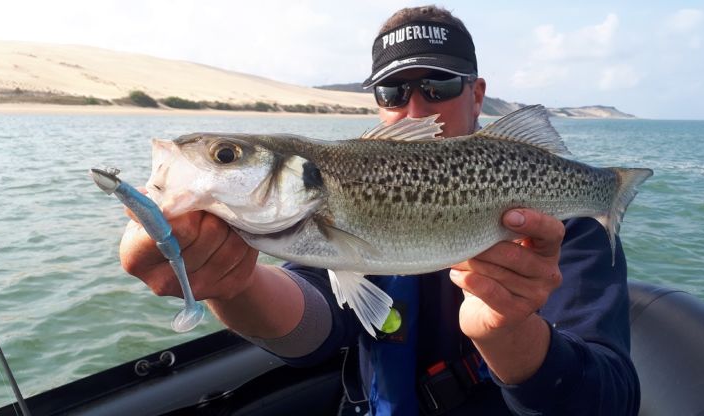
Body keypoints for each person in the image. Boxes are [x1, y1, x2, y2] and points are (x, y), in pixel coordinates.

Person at [120, 5, 640, 415]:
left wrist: (509, 331)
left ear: (478, 95)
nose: (415, 109)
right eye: (393, 91)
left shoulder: (559, 221)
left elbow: (610, 400)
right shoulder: (316, 211)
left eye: (439, 86)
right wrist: (231, 284)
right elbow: (315, 323)